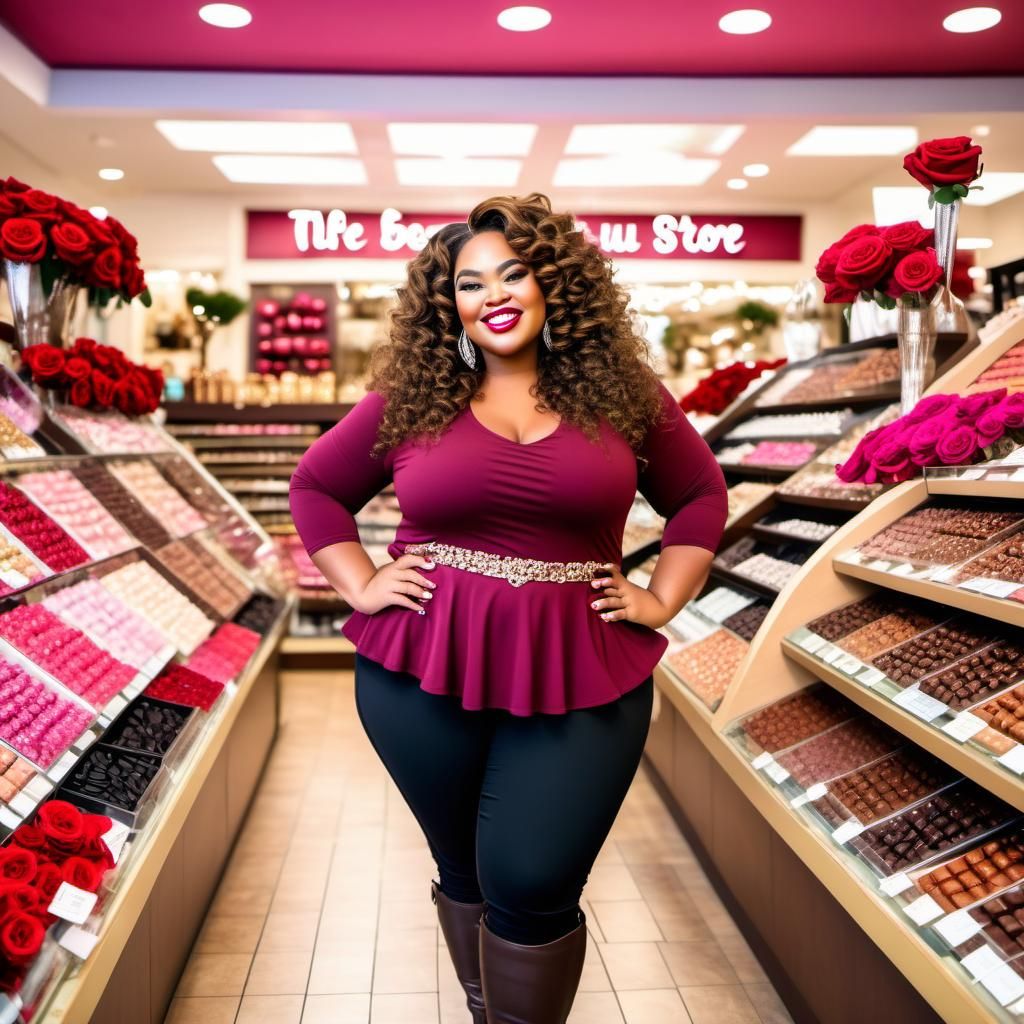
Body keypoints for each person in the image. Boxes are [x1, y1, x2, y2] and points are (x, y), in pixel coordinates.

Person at [289, 193, 727, 1023]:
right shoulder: (413, 397)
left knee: (532, 876)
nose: (492, 294)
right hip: (420, 668)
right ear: (447, 304)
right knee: (464, 868)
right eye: (469, 283)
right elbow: (315, 486)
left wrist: (662, 596)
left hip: (585, 664)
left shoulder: (625, 394)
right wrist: (360, 582)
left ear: (553, 282)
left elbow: (702, 493)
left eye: (513, 273)